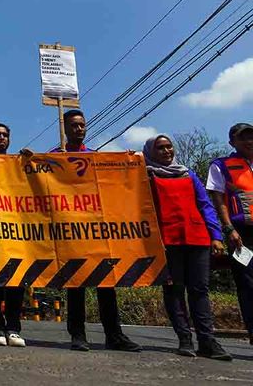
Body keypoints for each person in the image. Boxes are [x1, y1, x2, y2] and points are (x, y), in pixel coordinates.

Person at [52, 110, 141, 352]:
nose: (79, 129)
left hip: (98, 232)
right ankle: (78, 335)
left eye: (82, 125)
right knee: (76, 286)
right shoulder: (54, 158)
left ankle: (115, 335)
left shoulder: (95, 158)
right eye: (74, 125)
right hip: (71, 231)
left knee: (106, 286)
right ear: (65, 128)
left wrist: (129, 162)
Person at [144, 134, 231, 360]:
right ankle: (184, 339)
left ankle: (207, 341)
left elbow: (205, 205)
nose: (166, 151)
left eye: (169, 147)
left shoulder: (188, 174)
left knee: (199, 290)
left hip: (198, 238)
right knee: (174, 290)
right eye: (160, 148)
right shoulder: (145, 176)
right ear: (151, 152)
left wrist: (215, 235)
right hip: (167, 241)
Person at [206, 123, 253, 345]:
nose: (249, 141)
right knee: (247, 282)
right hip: (241, 233)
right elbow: (217, 200)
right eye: (243, 138)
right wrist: (228, 229)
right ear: (232, 142)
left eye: (251, 137)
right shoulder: (221, 165)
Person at [0, 122, 26, 347]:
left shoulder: (17, 163)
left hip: (15, 232)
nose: (1, 138)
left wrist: (30, 161)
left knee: (16, 282)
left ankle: (14, 328)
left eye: (5, 135)